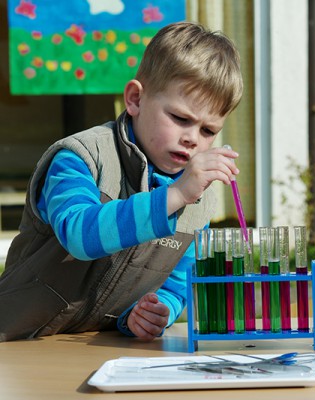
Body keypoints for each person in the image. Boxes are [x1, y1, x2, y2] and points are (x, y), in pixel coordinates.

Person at [0, 22, 244, 342]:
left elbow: (177, 283)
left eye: (208, 131)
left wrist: (152, 312)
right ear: (135, 100)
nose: (192, 139)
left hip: (99, 350)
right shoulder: (80, 157)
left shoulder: (200, 201)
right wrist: (174, 195)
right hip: (16, 340)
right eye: (181, 118)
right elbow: (79, 235)